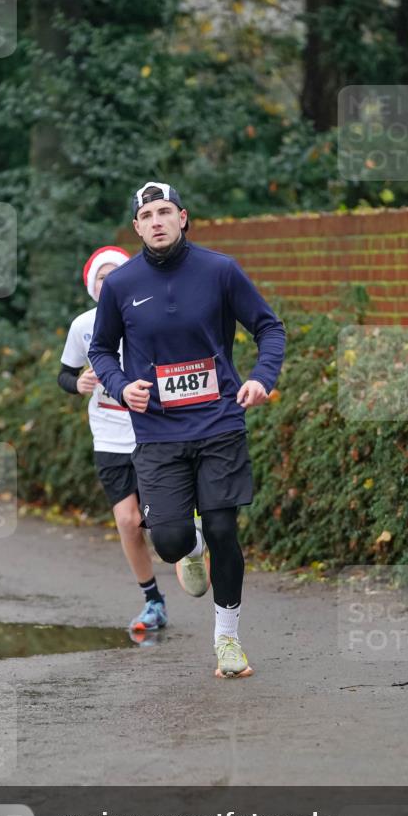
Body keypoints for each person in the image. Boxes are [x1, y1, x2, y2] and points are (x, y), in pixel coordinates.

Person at [88, 182, 286, 678]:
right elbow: (100, 350)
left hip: (219, 420)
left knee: (223, 528)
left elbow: (269, 327)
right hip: (157, 432)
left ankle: (228, 640)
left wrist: (262, 378)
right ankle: (189, 551)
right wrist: (119, 385)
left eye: (165, 212)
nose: (157, 221)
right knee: (172, 540)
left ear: (183, 218)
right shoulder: (121, 285)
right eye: (147, 215)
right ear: (136, 227)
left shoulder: (219, 270)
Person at [57, 245, 168, 635]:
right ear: (92, 285)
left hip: (153, 430)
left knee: (164, 522)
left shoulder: (150, 316)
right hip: (108, 435)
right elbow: (65, 374)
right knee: (127, 521)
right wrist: (79, 383)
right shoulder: (83, 325)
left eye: (115, 275)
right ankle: (153, 600)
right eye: (101, 277)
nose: (108, 282)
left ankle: (197, 551)